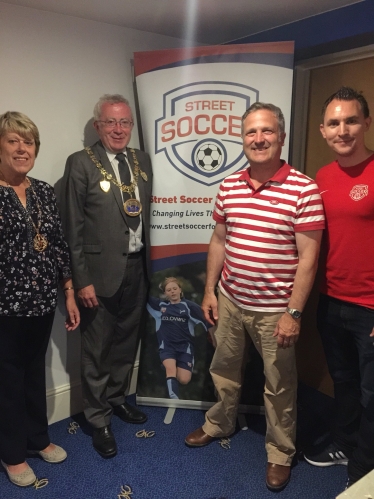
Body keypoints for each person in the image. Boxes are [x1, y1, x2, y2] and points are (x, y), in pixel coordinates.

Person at [184, 102, 325, 491]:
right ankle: (219, 422)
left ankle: (280, 452)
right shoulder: (229, 185)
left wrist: (293, 313)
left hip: (275, 310)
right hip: (230, 300)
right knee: (224, 369)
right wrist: (210, 290)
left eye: (266, 132)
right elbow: (218, 240)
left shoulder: (304, 188)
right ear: (242, 139)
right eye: (251, 133)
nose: (258, 139)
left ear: (281, 137)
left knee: (279, 384)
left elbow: (309, 259)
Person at [59, 94, 152, 458]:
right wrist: (80, 279)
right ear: (97, 125)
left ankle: (116, 400)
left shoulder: (141, 161)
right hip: (97, 274)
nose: (118, 129)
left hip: (138, 266)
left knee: (126, 342)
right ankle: (98, 419)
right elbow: (73, 227)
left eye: (124, 122)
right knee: (96, 348)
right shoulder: (81, 163)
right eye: (111, 122)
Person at [0, 111, 80, 487]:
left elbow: (59, 247)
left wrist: (68, 291)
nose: (21, 148)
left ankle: (36, 438)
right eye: (13, 140)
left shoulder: (44, 191)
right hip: (4, 308)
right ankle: (13, 453)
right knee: (7, 380)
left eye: (28, 141)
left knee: (34, 372)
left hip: (41, 302)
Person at [303, 87, 374, 488]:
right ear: (323, 130)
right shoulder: (323, 177)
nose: (342, 129)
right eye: (334, 123)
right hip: (331, 301)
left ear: (366, 123)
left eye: (350, 120)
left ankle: (363, 471)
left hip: (371, 307)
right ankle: (347, 444)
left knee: (372, 393)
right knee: (344, 381)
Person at [147, 277, 211, 399]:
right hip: (167, 346)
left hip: (185, 348)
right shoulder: (160, 306)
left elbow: (207, 320)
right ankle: (173, 398)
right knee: (170, 369)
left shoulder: (190, 307)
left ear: (180, 290)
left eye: (175, 288)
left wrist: (213, 335)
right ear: (165, 293)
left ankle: (173, 374)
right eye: (169, 290)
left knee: (184, 379)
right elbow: (143, 297)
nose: (172, 291)